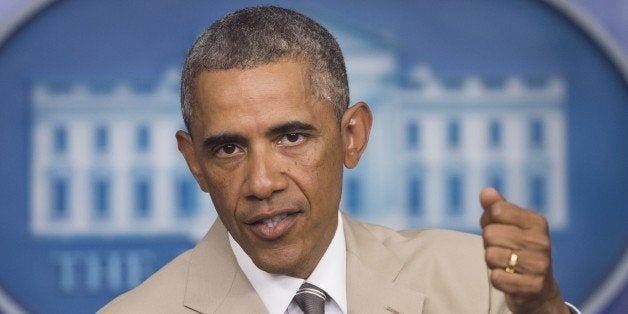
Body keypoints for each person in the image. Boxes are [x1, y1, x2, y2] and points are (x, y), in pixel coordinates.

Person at [100, 6, 579, 313]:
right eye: (228, 148)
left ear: (353, 136)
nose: (262, 182)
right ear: (194, 163)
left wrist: (544, 309)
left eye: (290, 137)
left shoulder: (480, 285)